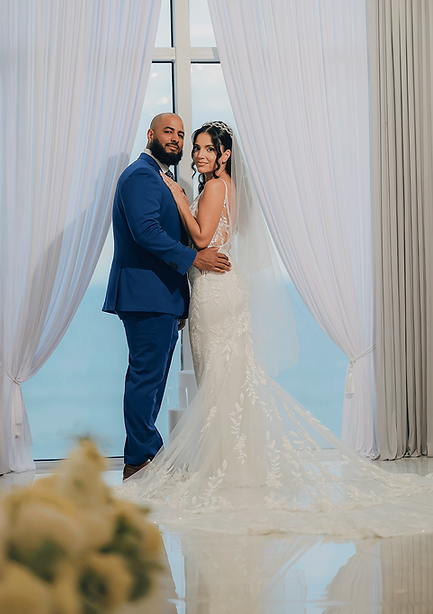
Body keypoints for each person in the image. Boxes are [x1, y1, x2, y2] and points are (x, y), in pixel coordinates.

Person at [121, 121, 433, 540]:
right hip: (212, 288)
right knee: (226, 379)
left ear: (225, 155)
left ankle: (221, 467)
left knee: (219, 380)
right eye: (193, 146)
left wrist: (179, 200)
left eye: (206, 148)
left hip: (215, 289)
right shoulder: (188, 182)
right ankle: (231, 463)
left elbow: (200, 237)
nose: (196, 153)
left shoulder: (213, 187)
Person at [103, 113, 230, 481]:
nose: (175, 138)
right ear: (151, 135)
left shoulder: (163, 176)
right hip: (146, 294)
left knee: (154, 379)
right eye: (168, 132)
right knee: (146, 377)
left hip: (162, 295)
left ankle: (148, 454)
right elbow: (145, 231)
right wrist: (194, 258)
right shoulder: (141, 175)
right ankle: (140, 459)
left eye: (180, 133)